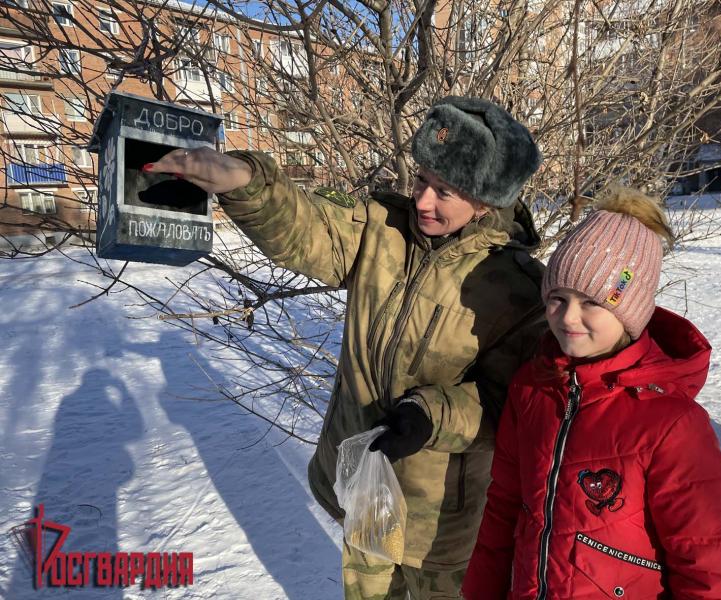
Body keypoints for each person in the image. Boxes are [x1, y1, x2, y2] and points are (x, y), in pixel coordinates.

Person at [145, 96, 548, 599]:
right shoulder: (383, 229)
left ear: (486, 201)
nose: (423, 201)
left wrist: (432, 415)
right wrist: (241, 181)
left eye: (444, 191)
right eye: (421, 179)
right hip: (366, 490)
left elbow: (509, 403)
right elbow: (310, 231)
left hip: (444, 519)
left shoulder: (519, 287)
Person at [461, 187, 721, 599]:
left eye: (591, 302)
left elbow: (705, 566)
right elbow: (504, 509)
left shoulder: (672, 424)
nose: (568, 317)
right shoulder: (532, 389)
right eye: (557, 298)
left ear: (629, 309)